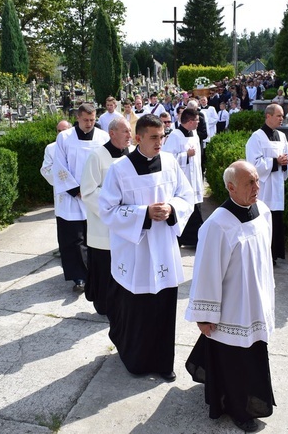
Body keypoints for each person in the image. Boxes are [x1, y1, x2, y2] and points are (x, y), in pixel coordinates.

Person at [98, 114, 194, 382]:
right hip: (135, 251)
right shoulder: (120, 169)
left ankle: (164, 363)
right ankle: (136, 360)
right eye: (154, 137)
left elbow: (186, 196)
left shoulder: (170, 163)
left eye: (162, 136)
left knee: (163, 308)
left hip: (163, 247)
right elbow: (107, 209)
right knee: (137, 310)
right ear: (138, 138)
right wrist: (144, 213)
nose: (160, 142)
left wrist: (172, 208)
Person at [185, 160, 276, 433]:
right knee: (234, 360)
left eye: (258, 181)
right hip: (232, 308)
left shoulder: (262, 211)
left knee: (253, 352)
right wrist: (204, 315)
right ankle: (238, 409)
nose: (257, 187)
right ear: (231, 187)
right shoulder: (218, 225)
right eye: (250, 182)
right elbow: (206, 272)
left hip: (255, 301)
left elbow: (264, 257)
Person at [53, 103, 110, 293]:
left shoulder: (103, 137)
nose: (89, 123)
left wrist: (94, 191)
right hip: (72, 197)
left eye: (92, 120)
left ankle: (96, 273)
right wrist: (77, 190)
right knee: (74, 239)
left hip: (96, 195)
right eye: (85, 120)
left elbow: (108, 164)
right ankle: (79, 276)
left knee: (95, 236)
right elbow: (59, 165)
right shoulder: (65, 138)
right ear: (77, 118)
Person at [80, 117, 132, 315]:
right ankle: (104, 306)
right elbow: (88, 191)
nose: (129, 135)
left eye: (129, 131)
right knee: (105, 270)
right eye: (125, 131)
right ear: (112, 133)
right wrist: (114, 205)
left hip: (127, 224)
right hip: (104, 228)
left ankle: (123, 305)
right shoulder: (97, 156)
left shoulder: (133, 154)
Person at [245, 104, 288, 263]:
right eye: (279, 116)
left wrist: (284, 162)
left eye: (282, 116)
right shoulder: (256, 137)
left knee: (276, 219)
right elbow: (253, 163)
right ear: (268, 116)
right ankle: (262, 254)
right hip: (264, 187)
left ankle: (274, 253)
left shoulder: (282, 136)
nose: (282, 119)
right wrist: (275, 161)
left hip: (277, 185)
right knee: (263, 219)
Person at [162, 108, 204, 247]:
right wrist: (186, 155)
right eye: (197, 120)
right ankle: (192, 239)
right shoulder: (175, 136)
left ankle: (191, 239)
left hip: (195, 178)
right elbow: (167, 158)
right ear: (190, 121)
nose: (198, 123)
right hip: (183, 179)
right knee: (189, 209)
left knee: (195, 207)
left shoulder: (195, 134)